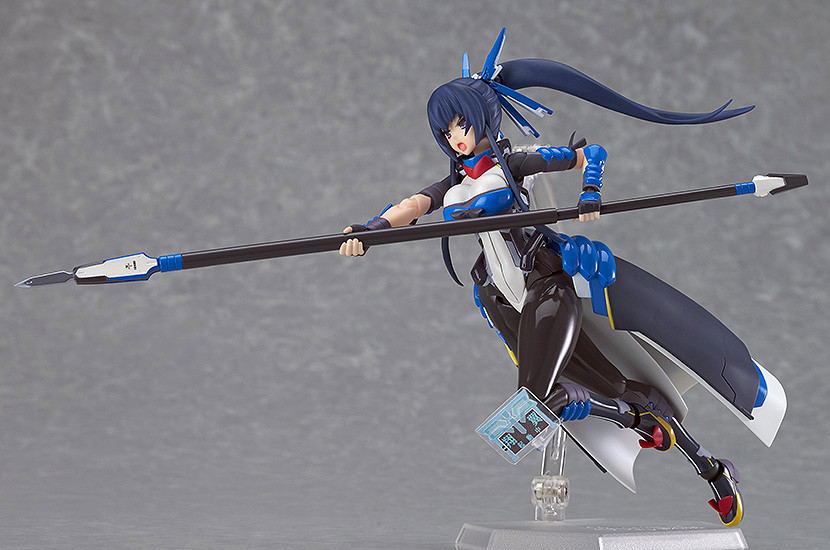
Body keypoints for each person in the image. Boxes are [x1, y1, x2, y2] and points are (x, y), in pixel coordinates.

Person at [338, 29, 785, 527]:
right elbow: (413, 206)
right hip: (505, 299)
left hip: (546, 289)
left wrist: (591, 192)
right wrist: (370, 231)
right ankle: (703, 461)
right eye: (446, 131)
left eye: (461, 124)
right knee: (610, 387)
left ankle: (600, 412)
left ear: (484, 117)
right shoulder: (454, 181)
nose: (455, 137)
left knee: (536, 401)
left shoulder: (515, 164)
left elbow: (591, 154)